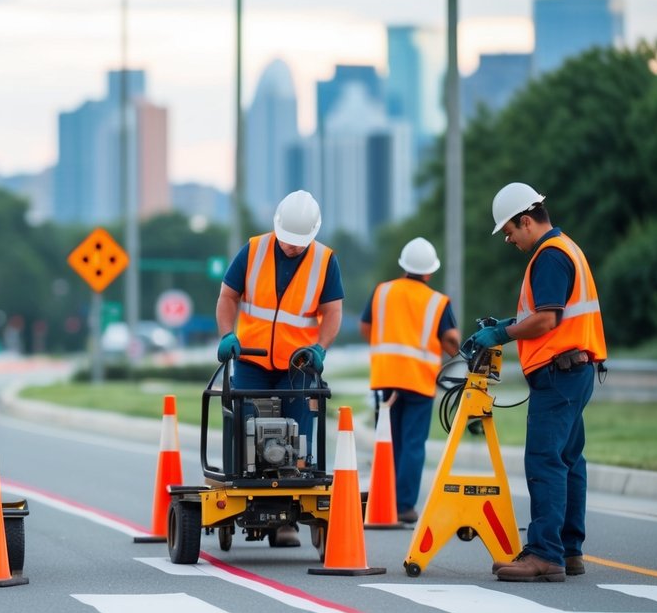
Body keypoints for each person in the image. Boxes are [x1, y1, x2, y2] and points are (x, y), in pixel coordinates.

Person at [468, 182, 606, 582]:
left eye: (510, 231)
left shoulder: (549, 256)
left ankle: (545, 554)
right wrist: (507, 324)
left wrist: (502, 335)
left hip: (559, 374)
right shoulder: (568, 249)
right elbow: (547, 316)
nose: (509, 240)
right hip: (574, 369)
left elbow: (547, 319)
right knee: (568, 461)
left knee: (545, 460)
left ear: (526, 220)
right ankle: (568, 549)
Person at [215, 190, 344, 546]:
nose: (292, 247)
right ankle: (252, 502)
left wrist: (321, 347)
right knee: (249, 434)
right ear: (277, 229)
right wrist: (227, 335)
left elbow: (332, 311)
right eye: (287, 241)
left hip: (298, 365)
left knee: (297, 440)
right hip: (253, 360)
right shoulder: (253, 250)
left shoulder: (324, 260)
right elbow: (228, 296)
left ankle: (287, 521)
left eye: (299, 243)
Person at [360, 237, 461, 524]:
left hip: (386, 377)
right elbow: (451, 341)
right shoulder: (437, 301)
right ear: (429, 272)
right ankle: (403, 506)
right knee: (413, 443)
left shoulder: (383, 291)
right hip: (419, 380)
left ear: (404, 266)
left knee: (388, 441)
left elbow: (365, 327)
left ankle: (383, 501)